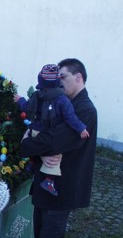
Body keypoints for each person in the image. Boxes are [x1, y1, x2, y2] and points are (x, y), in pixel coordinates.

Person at [16, 58, 97, 238]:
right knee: (42, 232)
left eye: (63, 77)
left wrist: (25, 145)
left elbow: (53, 141)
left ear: (79, 78)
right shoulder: (63, 103)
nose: (59, 82)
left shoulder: (84, 110)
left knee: (50, 237)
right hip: (48, 182)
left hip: (63, 186)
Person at [17, 63, 90, 196]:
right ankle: (49, 181)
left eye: (64, 76)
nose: (62, 80)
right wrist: (81, 129)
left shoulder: (37, 95)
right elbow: (70, 118)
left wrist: (20, 100)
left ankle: (32, 164)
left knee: (43, 152)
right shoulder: (63, 100)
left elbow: (27, 107)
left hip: (35, 130)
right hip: (46, 131)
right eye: (60, 77)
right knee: (54, 158)